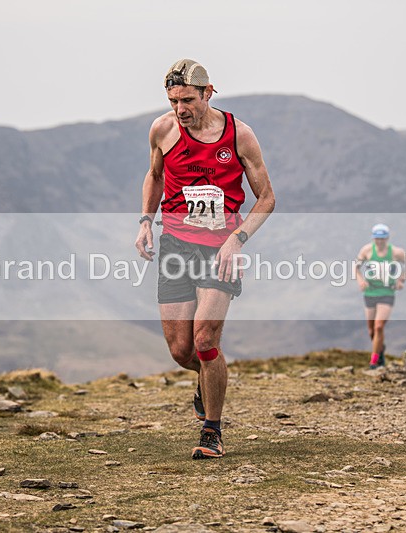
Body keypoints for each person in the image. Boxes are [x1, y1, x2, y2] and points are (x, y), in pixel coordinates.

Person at [134, 59, 275, 459]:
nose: (180, 109)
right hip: (176, 245)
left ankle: (211, 430)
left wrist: (237, 239)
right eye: (173, 100)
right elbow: (155, 175)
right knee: (182, 350)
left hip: (220, 249)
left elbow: (267, 198)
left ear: (208, 93)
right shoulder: (162, 129)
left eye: (188, 100)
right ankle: (208, 379)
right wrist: (146, 221)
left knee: (205, 339)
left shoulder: (239, 135)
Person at [355, 224, 406, 369]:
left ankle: (374, 361)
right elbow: (356, 267)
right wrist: (360, 280)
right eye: (377, 239)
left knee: (378, 327)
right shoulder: (366, 251)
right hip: (370, 292)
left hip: (387, 292)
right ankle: (380, 351)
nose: (379, 242)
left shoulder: (396, 252)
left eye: (382, 239)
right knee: (371, 330)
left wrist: (401, 279)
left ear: (387, 238)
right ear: (373, 239)